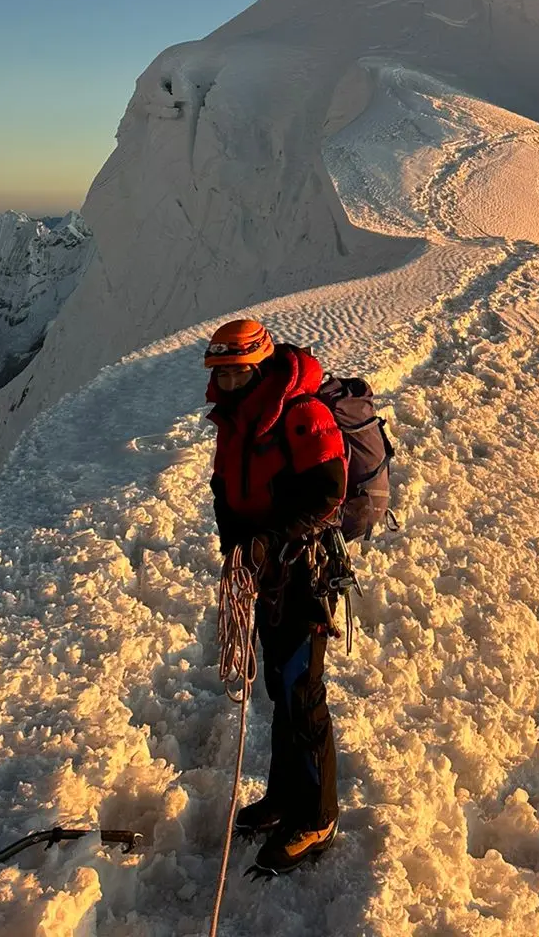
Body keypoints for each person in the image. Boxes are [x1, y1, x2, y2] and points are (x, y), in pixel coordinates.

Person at [205, 318, 347, 872]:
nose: (230, 383)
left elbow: (328, 495)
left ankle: (317, 818)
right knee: (279, 688)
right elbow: (226, 485)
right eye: (223, 374)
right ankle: (286, 798)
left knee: (301, 692)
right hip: (264, 575)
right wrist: (236, 548)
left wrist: (267, 542)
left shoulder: (301, 413)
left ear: (259, 364)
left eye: (238, 373)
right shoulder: (236, 418)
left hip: (303, 575)